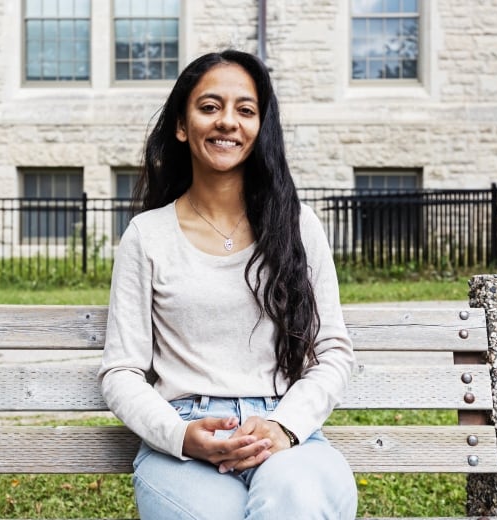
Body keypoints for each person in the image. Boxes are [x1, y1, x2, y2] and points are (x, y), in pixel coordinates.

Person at [98, 49, 358, 519]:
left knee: (297, 501)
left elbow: (332, 352)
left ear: (261, 129)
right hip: (184, 436)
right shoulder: (147, 236)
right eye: (209, 107)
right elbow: (122, 371)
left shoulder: (297, 227)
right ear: (182, 126)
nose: (227, 123)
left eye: (245, 110)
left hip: (285, 432)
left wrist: (284, 426)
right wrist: (180, 437)